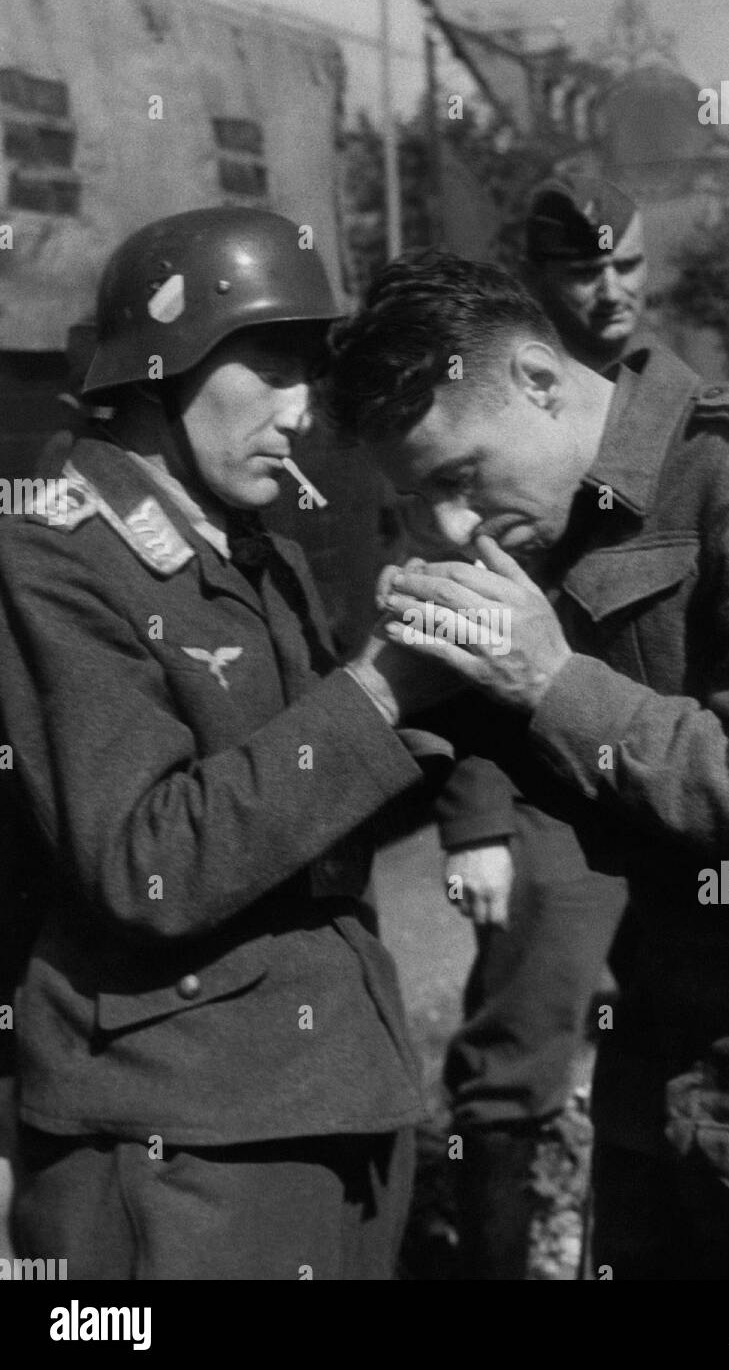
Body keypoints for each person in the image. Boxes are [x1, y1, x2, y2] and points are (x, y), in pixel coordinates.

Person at [326, 249, 729, 1280]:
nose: (454, 523)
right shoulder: (570, 514)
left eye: (459, 478)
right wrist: (415, 687)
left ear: (541, 381)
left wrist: (548, 682)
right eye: (421, 500)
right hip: (670, 1059)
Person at [0, 208, 452, 1281]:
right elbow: (144, 860)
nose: (304, 411)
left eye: (311, 369)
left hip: (324, 1097)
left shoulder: (257, 554)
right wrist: (377, 691)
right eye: (273, 365)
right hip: (183, 1136)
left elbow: (311, 815)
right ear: (162, 370)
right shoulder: (52, 559)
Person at [433, 176, 678, 1278]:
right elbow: (449, 617)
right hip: (539, 792)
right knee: (521, 1046)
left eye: (626, 264)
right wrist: (474, 818)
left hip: (665, 776)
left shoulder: (678, 405)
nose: (611, 290)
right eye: (584, 270)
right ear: (538, 280)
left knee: (671, 1049)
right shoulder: (486, 412)